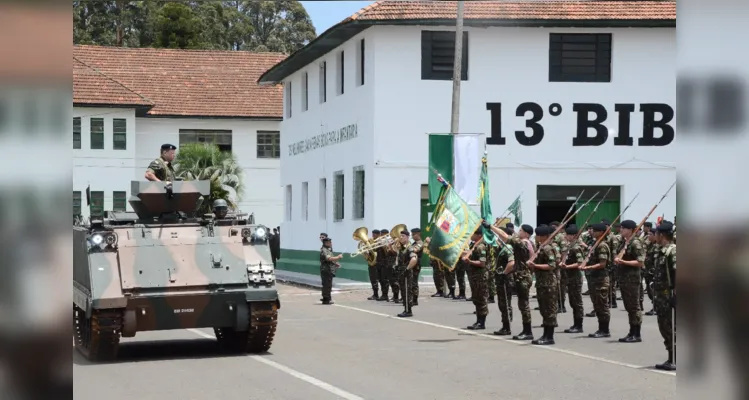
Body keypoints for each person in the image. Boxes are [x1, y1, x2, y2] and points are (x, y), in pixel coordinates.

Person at [613, 219, 646, 343]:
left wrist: (623, 262)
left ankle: (636, 333)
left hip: (632, 279)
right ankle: (631, 331)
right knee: (629, 306)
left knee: (634, 307)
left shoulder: (635, 243)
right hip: (624, 278)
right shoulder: (623, 242)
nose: (621, 230)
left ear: (631, 230)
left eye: (623, 228)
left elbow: (640, 262)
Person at [528, 225, 559, 345]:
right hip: (542, 282)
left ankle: (549, 337)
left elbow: (552, 265)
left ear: (543, 236)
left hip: (548, 283)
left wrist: (535, 266)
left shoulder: (547, 248)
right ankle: (545, 334)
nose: (536, 237)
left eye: (538, 235)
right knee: (544, 309)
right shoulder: (542, 247)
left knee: (549, 310)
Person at [581, 223, 612, 338]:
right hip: (594, 278)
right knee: (597, 305)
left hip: (601, 279)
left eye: (594, 230)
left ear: (600, 232)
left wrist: (587, 267)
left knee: (602, 305)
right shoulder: (595, 243)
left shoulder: (602, 245)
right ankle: (601, 328)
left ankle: (605, 330)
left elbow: (602, 264)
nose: (592, 232)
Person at [653, 221, 676, 371]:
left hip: (669, 295)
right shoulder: (661, 250)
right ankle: (671, 357)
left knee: (671, 327)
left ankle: (674, 359)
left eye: (656, 233)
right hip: (661, 296)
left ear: (662, 235)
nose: (654, 236)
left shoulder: (672, 251)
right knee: (665, 327)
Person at [561, 224, 586, 333]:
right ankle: (575, 324)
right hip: (569, 277)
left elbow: (580, 263)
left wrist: (567, 266)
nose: (566, 236)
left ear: (573, 236)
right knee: (572, 302)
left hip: (575, 277)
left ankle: (579, 325)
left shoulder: (576, 248)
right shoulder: (569, 246)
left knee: (577, 302)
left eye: (568, 234)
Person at [493, 228, 515, 336]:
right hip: (501, 279)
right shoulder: (501, 247)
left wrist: (504, 273)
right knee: (502, 303)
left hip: (506, 279)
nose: (498, 238)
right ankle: (505, 325)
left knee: (505, 303)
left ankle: (507, 327)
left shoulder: (508, 247)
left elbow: (511, 263)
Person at [465, 229, 489, 330]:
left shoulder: (481, 247)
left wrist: (470, 261)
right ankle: (478, 321)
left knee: (481, 299)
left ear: (478, 235)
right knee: (476, 299)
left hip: (480, 277)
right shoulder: (475, 245)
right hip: (475, 276)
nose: (470, 235)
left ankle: (481, 322)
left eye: (472, 233)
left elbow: (482, 263)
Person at [319, 237, 342, 305]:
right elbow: (329, 258)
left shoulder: (328, 249)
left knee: (328, 284)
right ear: (326, 243)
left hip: (329, 269)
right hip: (326, 270)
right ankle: (326, 299)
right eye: (329, 242)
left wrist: (335, 263)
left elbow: (330, 260)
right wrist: (338, 257)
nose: (331, 243)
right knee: (326, 285)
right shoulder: (324, 250)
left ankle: (327, 298)